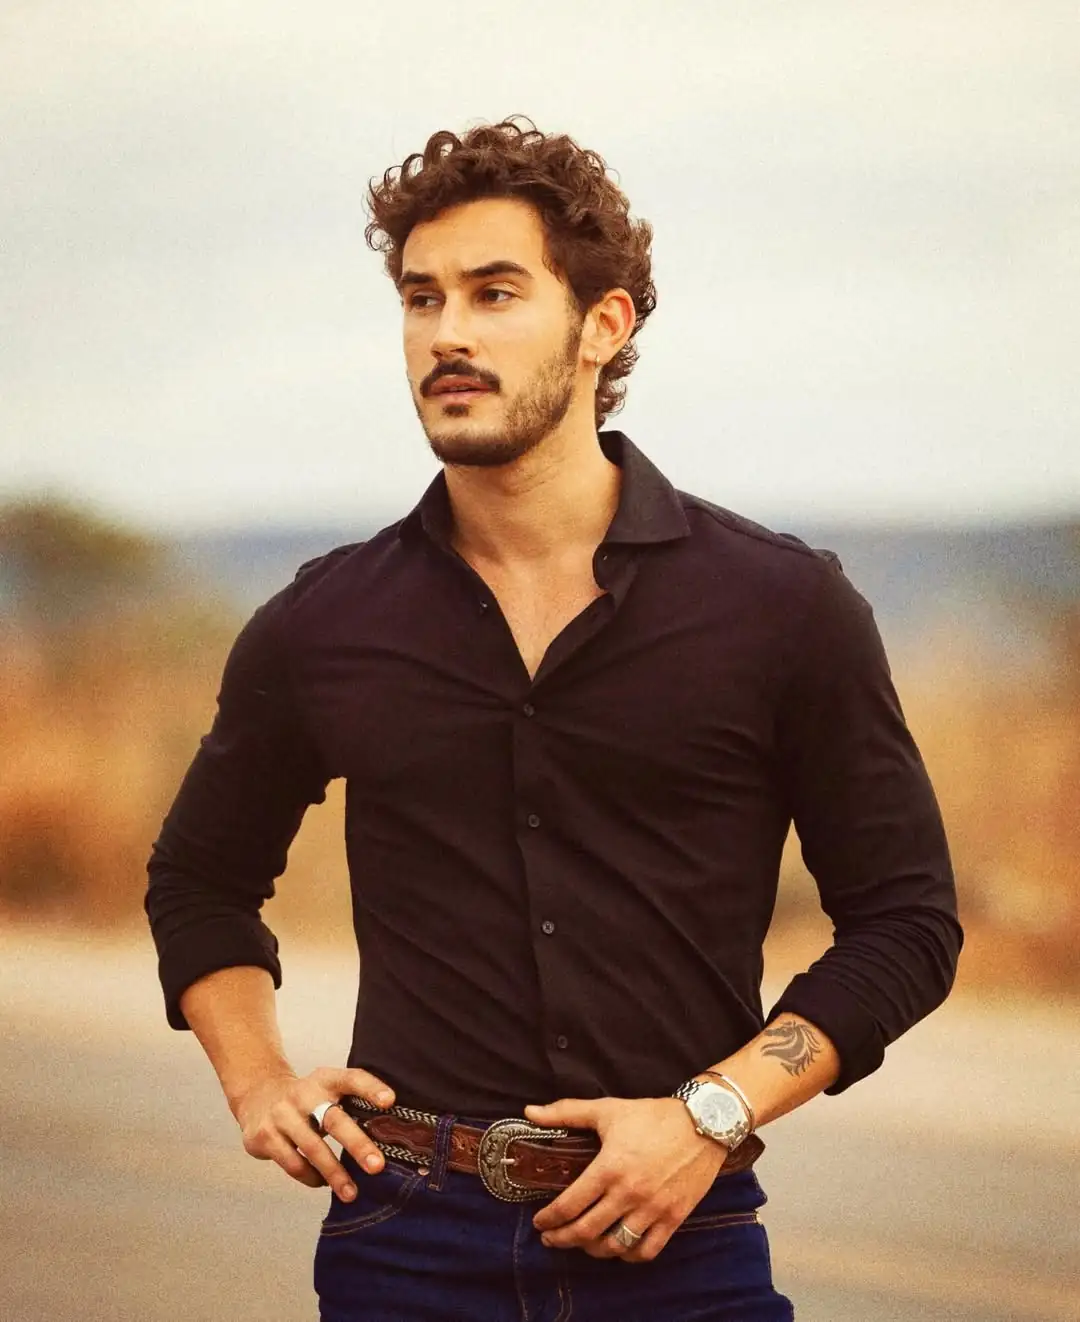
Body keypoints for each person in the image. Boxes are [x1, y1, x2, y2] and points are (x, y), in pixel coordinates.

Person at [146, 117, 962, 1321]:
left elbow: (906, 922)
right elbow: (200, 879)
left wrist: (710, 1113)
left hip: (679, 1236)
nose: (448, 333)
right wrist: (256, 1079)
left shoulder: (783, 607)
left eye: (494, 292)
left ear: (603, 324)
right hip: (403, 1241)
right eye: (421, 298)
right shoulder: (324, 622)